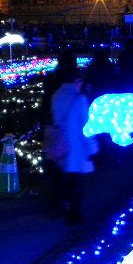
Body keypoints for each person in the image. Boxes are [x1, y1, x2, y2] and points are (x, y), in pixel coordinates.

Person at [50, 69, 98, 226]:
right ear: (76, 81)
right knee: (77, 183)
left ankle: (64, 208)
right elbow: (86, 126)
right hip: (77, 146)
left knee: (65, 180)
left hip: (62, 144)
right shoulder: (80, 99)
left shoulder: (56, 96)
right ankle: (74, 216)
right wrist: (91, 147)